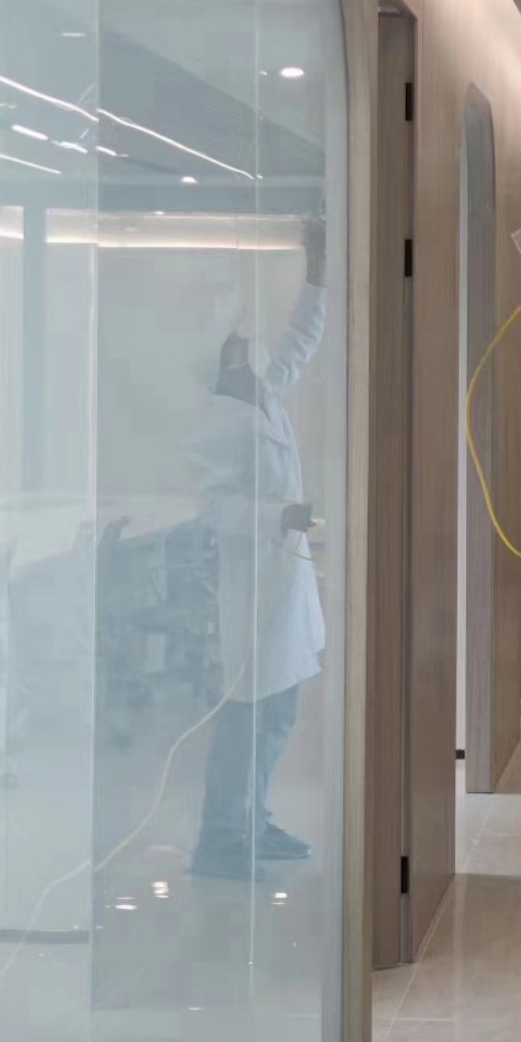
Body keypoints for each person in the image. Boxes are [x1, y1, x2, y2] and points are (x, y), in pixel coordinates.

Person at [185, 217, 327, 879]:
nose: (254, 348)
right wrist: (280, 515)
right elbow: (213, 508)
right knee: (246, 716)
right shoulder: (220, 422)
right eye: (241, 344)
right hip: (252, 590)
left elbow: (302, 339)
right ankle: (220, 837)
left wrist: (317, 269)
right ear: (223, 360)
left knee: (279, 708)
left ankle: (253, 819)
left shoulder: (262, 392)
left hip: (281, 583)